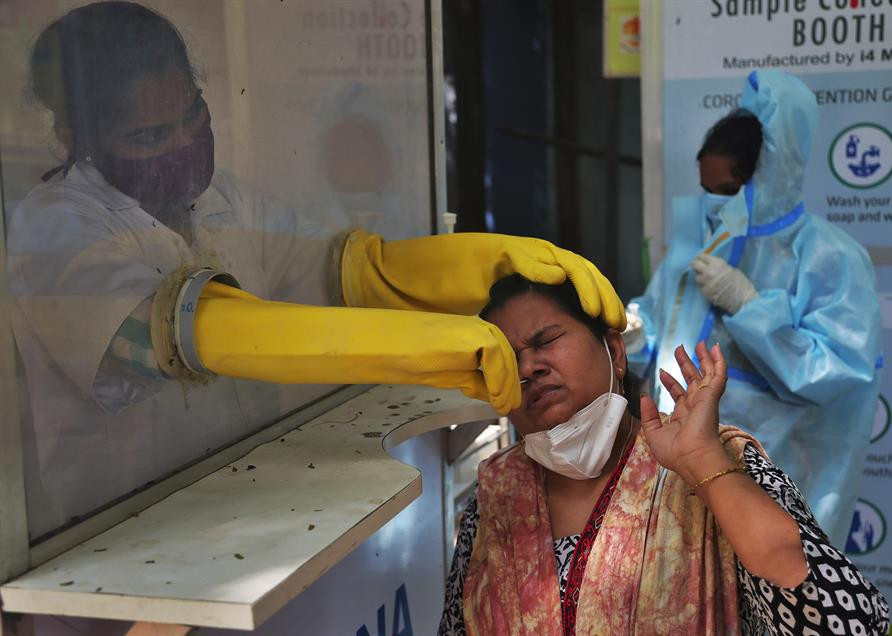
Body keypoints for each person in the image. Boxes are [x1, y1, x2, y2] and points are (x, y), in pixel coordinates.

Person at [8, 1, 615, 537]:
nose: (184, 143)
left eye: (193, 115)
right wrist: (416, 343)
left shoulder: (223, 200)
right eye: (150, 135)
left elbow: (341, 271)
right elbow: (181, 332)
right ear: (78, 137)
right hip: (114, 542)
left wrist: (472, 264)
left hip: (232, 514)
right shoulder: (55, 228)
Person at [440, 273, 889, 635]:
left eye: (545, 340)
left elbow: (843, 623)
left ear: (615, 351)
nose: (527, 367)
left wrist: (702, 461)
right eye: (507, 358)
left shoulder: (719, 463)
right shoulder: (495, 498)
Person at [626, 69, 881, 543]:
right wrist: (632, 330)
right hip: (681, 479)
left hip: (780, 486)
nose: (712, 204)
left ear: (769, 176)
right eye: (706, 188)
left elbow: (839, 372)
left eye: (725, 191)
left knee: (766, 602)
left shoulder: (832, 257)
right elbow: (657, 332)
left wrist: (750, 306)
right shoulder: (702, 247)